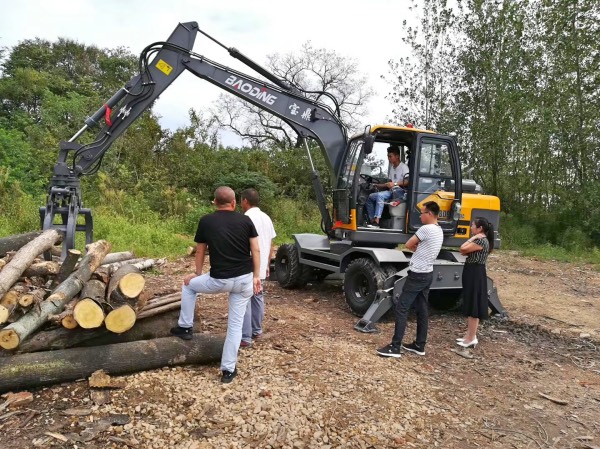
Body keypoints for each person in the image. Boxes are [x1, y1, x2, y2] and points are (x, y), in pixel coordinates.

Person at [170, 186, 261, 384]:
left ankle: (185, 327)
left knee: (188, 285)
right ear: (234, 203)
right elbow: (256, 250)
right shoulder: (245, 220)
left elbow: (201, 251)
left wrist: (196, 273)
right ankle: (228, 370)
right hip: (244, 280)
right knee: (235, 327)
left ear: (214, 202)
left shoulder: (206, 221)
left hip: (219, 280)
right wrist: (256, 276)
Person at [377, 201, 444, 358]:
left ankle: (395, 347)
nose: (420, 216)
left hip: (417, 274)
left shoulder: (426, 229)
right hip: (427, 273)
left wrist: (416, 247)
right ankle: (419, 345)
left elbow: (408, 244)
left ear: (429, 214)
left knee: (401, 308)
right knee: (422, 309)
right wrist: (419, 248)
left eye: (422, 213)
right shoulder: (438, 230)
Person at [239, 188, 276, 347]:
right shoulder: (266, 217)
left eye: (241, 200)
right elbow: (270, 243)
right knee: (258, 297)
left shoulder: (245, 218)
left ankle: (245, 337)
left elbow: (242, 244)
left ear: (245, 201)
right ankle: (257, 330)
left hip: (248, 265)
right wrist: (267, 264)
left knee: (245, 299)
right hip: (260, 266)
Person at [456, 217, 494, 349]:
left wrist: (471, 239)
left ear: (480, 229)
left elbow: (462, 249)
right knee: (471, 301)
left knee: (474, 304)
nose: (471, 227)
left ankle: (471, 338)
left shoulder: (481, 241)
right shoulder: (481, 240)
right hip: (472, 271)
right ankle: (469, 335)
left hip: (475, 272)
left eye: (473, 225)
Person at [365, 145, 409, 227]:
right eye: (388, 156)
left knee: (380, 196)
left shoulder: (404, 167)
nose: (389, 158)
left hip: (400, 192)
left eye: (390, 156)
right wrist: (377, 185)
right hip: (392, 191)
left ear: (397, 156)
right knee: (370, 197)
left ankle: (377, 221)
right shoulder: (392, 168)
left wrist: (395, 184)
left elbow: (407, 182)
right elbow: (389, 183)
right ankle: (372, 220)